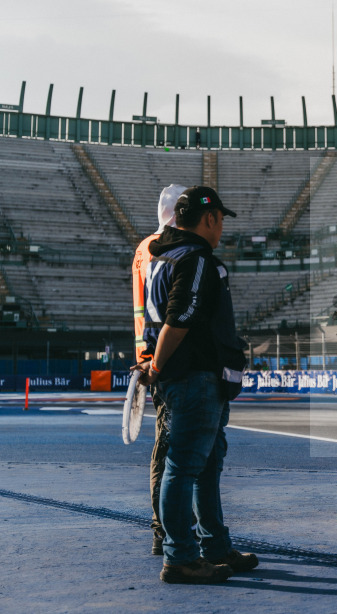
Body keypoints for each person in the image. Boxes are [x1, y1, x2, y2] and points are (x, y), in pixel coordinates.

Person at [135, 186, 256, 584]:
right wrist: (158, 366)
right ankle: (182, 557)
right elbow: (179, 319)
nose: (221, 227)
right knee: (185, 468)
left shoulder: (162, 257)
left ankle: (213, 547)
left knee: (202, 468)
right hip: (196, 378)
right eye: (220, 219)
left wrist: (156, 368)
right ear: (209, 218)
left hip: (185, 379)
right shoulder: (196, 257)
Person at [131, 184, 185, 556]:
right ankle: (167, 530)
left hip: (149, 354)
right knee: (172, 449)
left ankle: (165, 529)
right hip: (168, 358)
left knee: (166, 445)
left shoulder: (142, 249)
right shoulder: (163, 249)